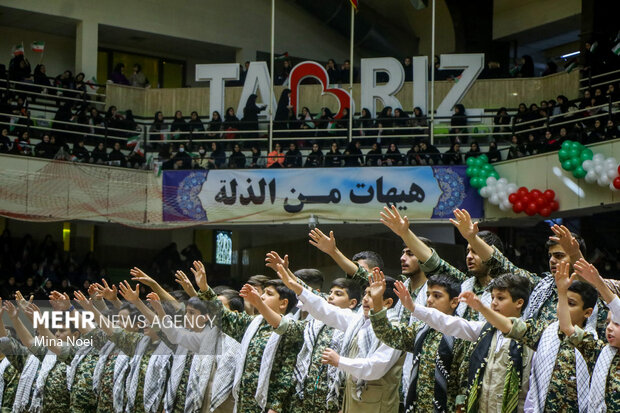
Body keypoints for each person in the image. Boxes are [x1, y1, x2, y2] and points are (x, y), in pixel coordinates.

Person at [274, 263, 404, 413]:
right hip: (353, 403)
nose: (366, 299)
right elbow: (327, 310)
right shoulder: (359, 321)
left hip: (378, 407)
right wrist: (298, 288)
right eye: (366, 294)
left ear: (388, 303)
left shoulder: (395, 330)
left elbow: (375, 368)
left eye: (373, 295)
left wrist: (339, 360)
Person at [406, 272, 534, 412]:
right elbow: (448, 323)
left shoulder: (530, 337)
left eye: (501, 298)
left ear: (519, 302)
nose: (494, 303)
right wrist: (414, 308)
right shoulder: (485, 330)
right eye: (492, 297)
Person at [194, 260, 304, 413]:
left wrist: (275, 407)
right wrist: (205, 288)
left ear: (283, 303)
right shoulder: (254, 323)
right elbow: (224, 318)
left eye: (269, 294)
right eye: (263, 292)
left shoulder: (295, 328)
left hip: (269, 407)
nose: (263, 296)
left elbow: (287, 374)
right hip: (245, 403)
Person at [370, 271, 467, 413]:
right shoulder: (422, 329)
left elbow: (464, 382)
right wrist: (378, 300)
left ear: (454, 302)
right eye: (428, 295)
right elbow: (388, 334)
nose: (429, 300)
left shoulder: (462, 333)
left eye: (437, 296)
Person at [568, 259, 620, 412]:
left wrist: (598, 282)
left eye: (617, 324)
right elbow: (566, 327)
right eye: (608, 323)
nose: (609, 328)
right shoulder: (600, 351)